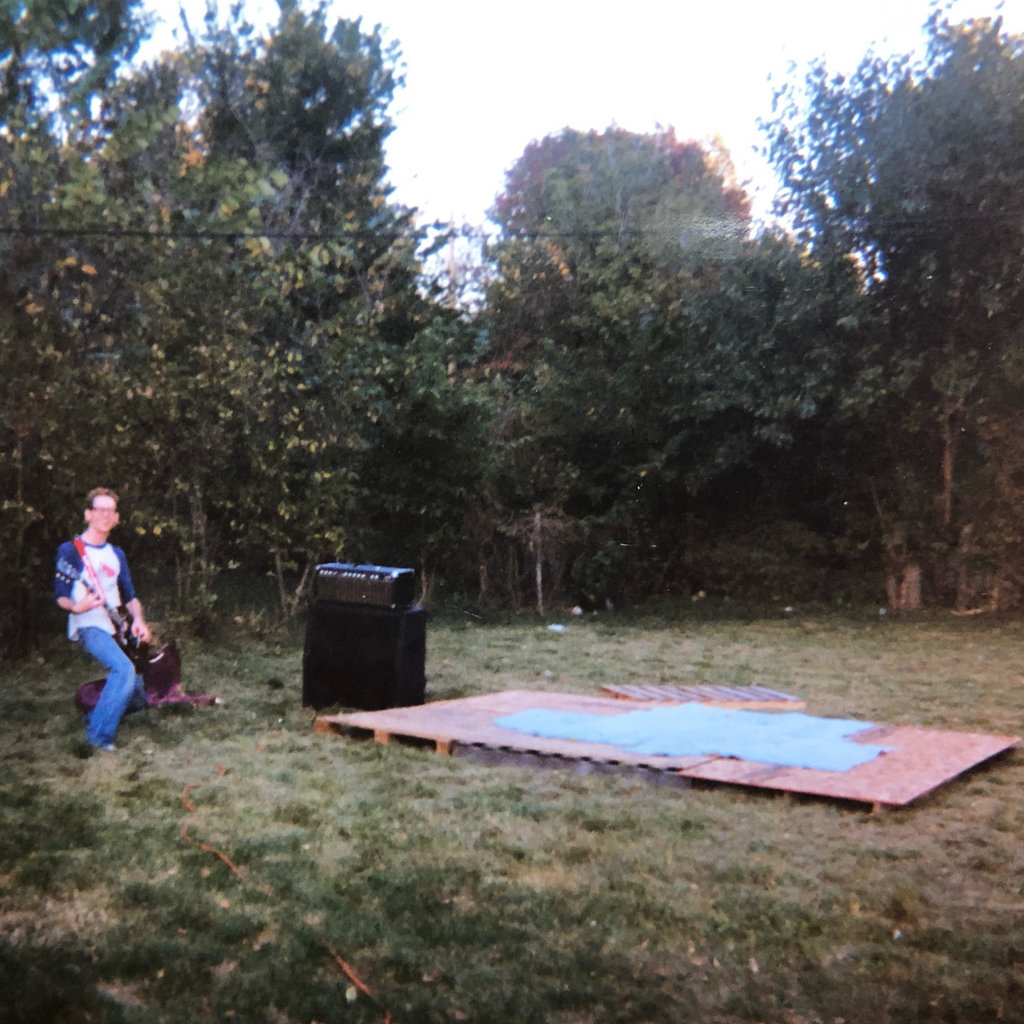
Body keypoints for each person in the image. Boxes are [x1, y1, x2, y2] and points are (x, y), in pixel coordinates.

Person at [54, 487, 153, 752]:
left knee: (139, 694)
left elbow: (130, 596)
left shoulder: (116, 554)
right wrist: (77, 607)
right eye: (100, 509)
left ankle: (96, 716)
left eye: (111, 511)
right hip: (88, 623)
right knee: (123, 670)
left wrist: (138, 620)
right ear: (88, 514)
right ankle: (98, 738)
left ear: (116, 517)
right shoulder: (71, 551)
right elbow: (61, 595)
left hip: (115, 626)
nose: (106, 515)